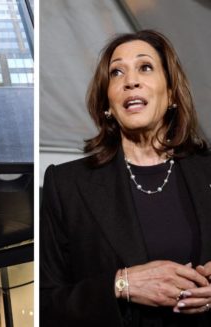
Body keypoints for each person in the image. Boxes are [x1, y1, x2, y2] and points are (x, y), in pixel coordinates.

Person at [40, 30, 211, 326]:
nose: (130, 81)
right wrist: (120, 284)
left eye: (145, 67)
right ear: (108, 102)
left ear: (171, 92)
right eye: (116, 72)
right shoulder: (67, 185)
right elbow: (46, 303)